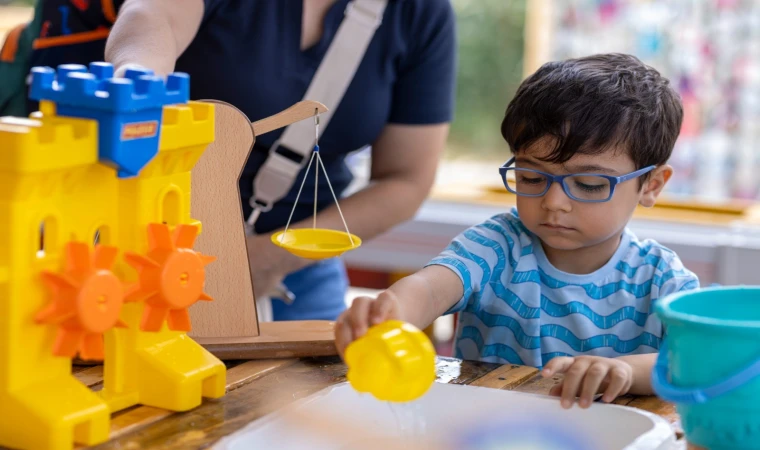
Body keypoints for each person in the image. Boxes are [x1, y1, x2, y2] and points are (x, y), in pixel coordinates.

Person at [19, 0, 457, 321]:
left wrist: (266, 259)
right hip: (149, 253)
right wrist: (135, 82)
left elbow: (406, 180)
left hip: (294, 268)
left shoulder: (421, 14)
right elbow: (153, 17)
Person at [334, 53, 700, 408]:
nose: (554, 201)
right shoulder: (497, 246)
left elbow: (703, 361)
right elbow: (430, 289)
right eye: (531, 176)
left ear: (651, 184)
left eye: (589, 183)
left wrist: (626, 370)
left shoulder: (660, 277)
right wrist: (391, 312)